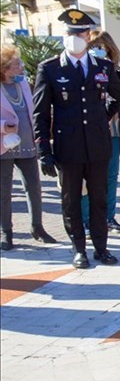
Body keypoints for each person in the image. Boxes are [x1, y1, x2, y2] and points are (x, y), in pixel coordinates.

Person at [32, 8, 120, 268]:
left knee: (99, 197)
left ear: (88, 35)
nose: (76, 37)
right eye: (71, 32)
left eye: (80, 32)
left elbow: (118, 95)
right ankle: (78, 249)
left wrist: (103, 117)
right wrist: (44, 150)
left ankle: (101, 247)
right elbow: (41, 112)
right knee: (71, 199)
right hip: (68, 146)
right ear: (65, 35)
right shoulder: (49, 68)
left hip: (97, 144)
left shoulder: (103, 66)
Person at [1, 44, 56, 250]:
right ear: (4, 68)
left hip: (26, 143)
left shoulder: (23, 83)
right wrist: (3, 126)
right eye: (17, 65)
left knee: (34, 187)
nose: (22, 68)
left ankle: (37, 227)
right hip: (4, 146)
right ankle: (6, 232)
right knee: (4, 192)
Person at [82, 30, 120, 234]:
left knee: (111, 175)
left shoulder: (115, 70)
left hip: (113, 129)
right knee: (88, 177)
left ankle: (109, 217)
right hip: (89, 130)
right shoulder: (82, 69)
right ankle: (86, 219)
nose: (97, 51)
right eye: (93, 47)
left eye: (101, 47)